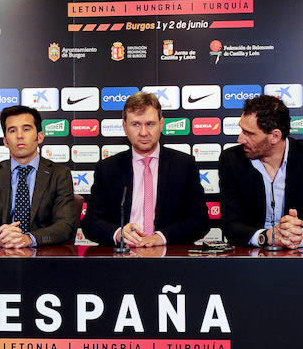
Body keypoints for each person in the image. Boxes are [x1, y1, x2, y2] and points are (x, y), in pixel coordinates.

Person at [81, 92, 208, 247]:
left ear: (161, 124)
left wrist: (161, 237)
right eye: (135, 124)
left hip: (169, 256)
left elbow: (200, 220)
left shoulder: (184, 165)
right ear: (124, 127)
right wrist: (118, 233)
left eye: (150, 124)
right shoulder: (108, 168)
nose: (143, 132)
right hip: (122, 258)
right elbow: (91, 223)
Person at [219, 95, 303, 248]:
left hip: (302, 259)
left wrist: (298, 237)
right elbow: (230, 225)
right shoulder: (231, 159)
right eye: (242, 130)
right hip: (250, 260)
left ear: (275, 136)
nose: (240, 139)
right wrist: (265, 237)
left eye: (249, 133)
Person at [0, 105, 77, 247]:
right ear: (5, 141)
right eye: (12, 130)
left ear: (39, 137)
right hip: (2, 254)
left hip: (44, 256)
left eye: (26, 129)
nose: (19, 135)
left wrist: (29, 238)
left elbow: (65, 226)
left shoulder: (59, 174)